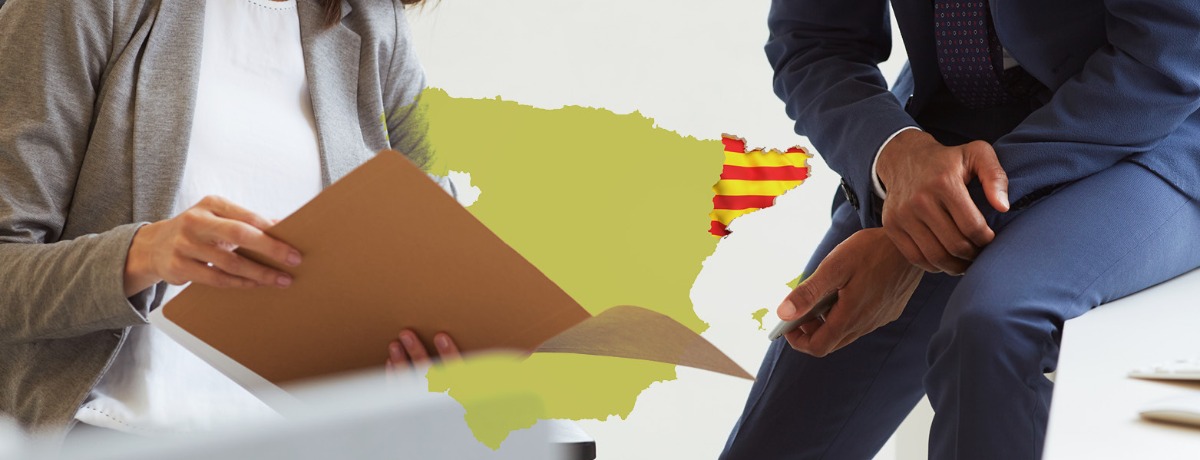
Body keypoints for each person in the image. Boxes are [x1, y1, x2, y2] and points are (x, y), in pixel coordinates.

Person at [722, 0, 1200, 459]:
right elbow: (813, 38)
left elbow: (1169, 50)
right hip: (944, 129)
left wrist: (915, 232)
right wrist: (896, 153)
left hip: (1154, 124)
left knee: (994, 329)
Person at [0, 0, 460, 437]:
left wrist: (406, 348)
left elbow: (436, 231)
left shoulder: (377, 24)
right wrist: (141, 254)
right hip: (111, 432)